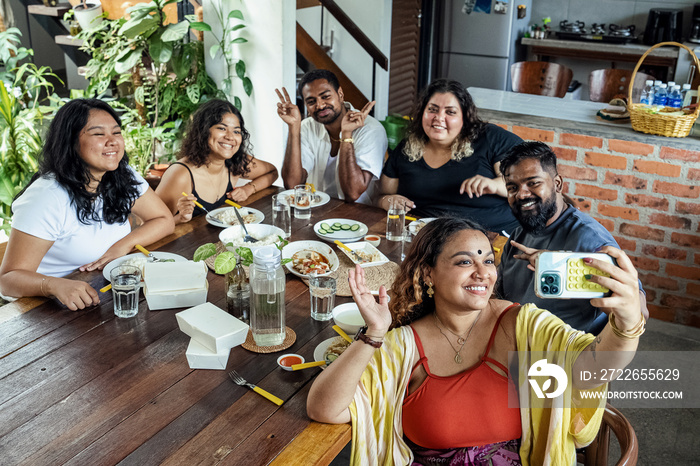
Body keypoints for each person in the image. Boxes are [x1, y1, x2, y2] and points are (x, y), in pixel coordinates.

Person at [307, 217, 644, 465]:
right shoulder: (403, 345)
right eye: (465, 261)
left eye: (488, 261)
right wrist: (374, 334)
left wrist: (627, 324)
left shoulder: (522, 327)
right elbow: (324, 408)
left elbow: (593, 368)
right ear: (428, 273)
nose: (483, 273)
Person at [0, 99, 174, 310]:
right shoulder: (47, 196)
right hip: (48, 307)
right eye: (98, 134)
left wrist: (122, 245)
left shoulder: (121, 174)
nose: (112, 141)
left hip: (104, 290)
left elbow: (164, 220)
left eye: (116, 132)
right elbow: (7, 280)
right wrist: (54, 286)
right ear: (71, 141)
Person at [497, 141, 648, 334]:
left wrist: (564, 267)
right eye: (512, 188)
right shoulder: (521, 232)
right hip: (514, 340)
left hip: (561, 356)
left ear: (557, 184)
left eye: (533, 183)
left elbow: (640, 311)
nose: (521, 194)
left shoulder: (589, 239)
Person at [378, 79, 522, 233]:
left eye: (450, 112)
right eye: (432, 109)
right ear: (422, 113)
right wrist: (387, 201)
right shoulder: (407, 148)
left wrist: (493, 185)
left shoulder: (491, 138)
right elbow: (382, 195)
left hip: (491, 235)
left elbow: (524, 185)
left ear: (465, 117)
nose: (439, 117)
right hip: (427, 236)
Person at [156, 99, 278, 223]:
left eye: (236, 131)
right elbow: (150, 224)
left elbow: (272, 172)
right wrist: (179, 218)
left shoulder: (236, 162)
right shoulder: (181, 174)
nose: (230, 137)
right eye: (222, 128)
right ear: (203, 131)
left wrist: (249, 189)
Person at [275, 69, 387, 204]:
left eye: (325, 96)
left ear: (340, 94)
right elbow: (292, 185)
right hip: (314, 210)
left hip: (358, 215)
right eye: (311, 101)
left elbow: (353, 193)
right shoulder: (306, 126)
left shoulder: (371, 130)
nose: (320, 105)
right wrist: (293, 127)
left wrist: (346, 134)